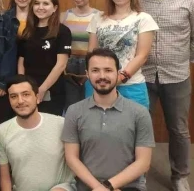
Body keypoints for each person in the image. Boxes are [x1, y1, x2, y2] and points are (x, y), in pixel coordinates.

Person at [62, 48, 154, 191]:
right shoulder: (74, 111)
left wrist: (108, 186)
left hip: (128, 187)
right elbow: (71, 158)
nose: (102, 76)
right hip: (88, 186)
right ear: (87, 74)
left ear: (118, 73)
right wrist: (98, 187)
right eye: (95, 70)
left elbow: (143, 162)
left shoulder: (139, 113)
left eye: (108, 70)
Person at [138, 0, 193, 190]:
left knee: (179, 130)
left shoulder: (189, 1)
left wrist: (184, 60)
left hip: (177, 76)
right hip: (142, 75)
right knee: (139, 127)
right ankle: (138, 174)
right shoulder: (137, 1)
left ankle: (180, 176)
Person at [86, 0, 158, 108]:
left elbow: (142, 56)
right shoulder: (98, 18)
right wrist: (98, 77)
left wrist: (119, 78)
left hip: (131, 85)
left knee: (135, 121)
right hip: (98, 84)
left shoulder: (143, 19)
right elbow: (91, 52)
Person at [0, 74, 74, 191]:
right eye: (14, 96)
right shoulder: (1, 132)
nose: (20, 101)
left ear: (37, 98)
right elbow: (5, 177)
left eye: (26, 94)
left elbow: (76, 162)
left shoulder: (61, 124)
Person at [17, 0, 71, 116]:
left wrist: (42, 89)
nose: (40, 7)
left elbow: (61, 65)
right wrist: (22, 85)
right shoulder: (27, 31)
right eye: (37, 3)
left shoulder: (62, 31)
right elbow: (21, 61)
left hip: (52, 90)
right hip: (28, 89)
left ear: (55, 8)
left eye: (45, 3)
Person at [61, 0, 100, 112]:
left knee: (91, 105)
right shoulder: (64, 16)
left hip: (90, 64)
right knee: (71, 107)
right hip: (68, 66)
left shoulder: (99, 16)